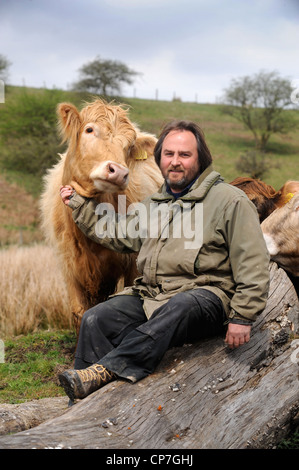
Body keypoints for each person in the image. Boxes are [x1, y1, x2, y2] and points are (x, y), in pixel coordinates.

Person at [58, 120, 270, 403]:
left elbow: (253, 261)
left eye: (185, 155)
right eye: (168, 154)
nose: (175, 162)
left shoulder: (229, 201)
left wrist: (243, 316)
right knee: (96, 318)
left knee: (179, 306)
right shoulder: (155, 204)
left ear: (201, 158)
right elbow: (117, 234)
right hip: (154, 296)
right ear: (159, 159)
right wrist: (79, 206)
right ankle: (84, 403)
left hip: (206, 298)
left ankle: (106, 370)